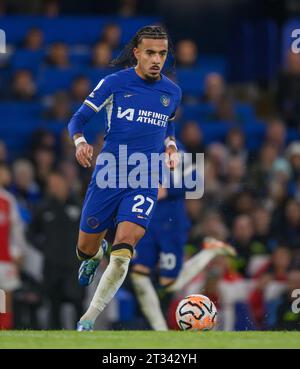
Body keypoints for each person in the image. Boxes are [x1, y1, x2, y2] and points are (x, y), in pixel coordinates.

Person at [67, 25, 182, 331]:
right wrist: (80, 141)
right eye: (150, 53)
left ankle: (88, 319)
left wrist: (170, 146)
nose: (157, 59)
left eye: (162, 53)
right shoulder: (114, 83)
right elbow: (77, 119)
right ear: (136, 53)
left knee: (123, 254)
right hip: (108, 176)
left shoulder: (172, 91)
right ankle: (93, 254)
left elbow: (167, 124)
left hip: (145, 178)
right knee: (85, 249)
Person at [130, 144, 236, 330]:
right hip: (146, 223)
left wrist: (167, 189)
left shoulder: (176, 151)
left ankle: (209, 252)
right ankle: (160, 331)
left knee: (170, 283)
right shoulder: (139, 148)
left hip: (170, 226)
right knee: (139, 276)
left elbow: (195, 180)